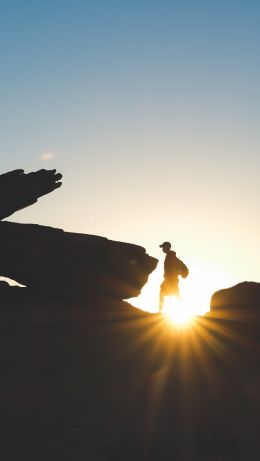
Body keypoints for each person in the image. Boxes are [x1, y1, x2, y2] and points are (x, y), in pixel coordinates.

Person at [159, 241, 189, 313]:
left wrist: (174, 274)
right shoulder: (170, 256)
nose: (162, 249)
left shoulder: (171, 257)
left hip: (171, 281)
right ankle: (184, 310)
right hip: (170, 280)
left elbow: (172, 269)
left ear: (168, 247)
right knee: (175, 295)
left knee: (170, 294)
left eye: (163, 247)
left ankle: (160, 311)